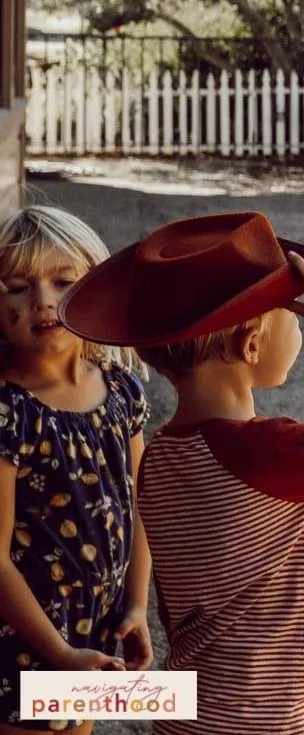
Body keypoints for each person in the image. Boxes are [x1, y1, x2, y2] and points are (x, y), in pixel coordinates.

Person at [58, 213, 304, 735]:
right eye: (294, 317)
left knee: (51, 696)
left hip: (199, 705)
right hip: (263, 714)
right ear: (251, 346)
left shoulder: (162, 456)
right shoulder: (264, 451)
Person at [0, 207, 151, 735]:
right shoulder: (7, 412)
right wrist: (58, 653)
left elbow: (141, 505)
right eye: (17, 286)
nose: (41, 299)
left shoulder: (121, 390)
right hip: (20, 643)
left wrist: (135, 606)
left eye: (63, 281)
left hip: (93, 629)